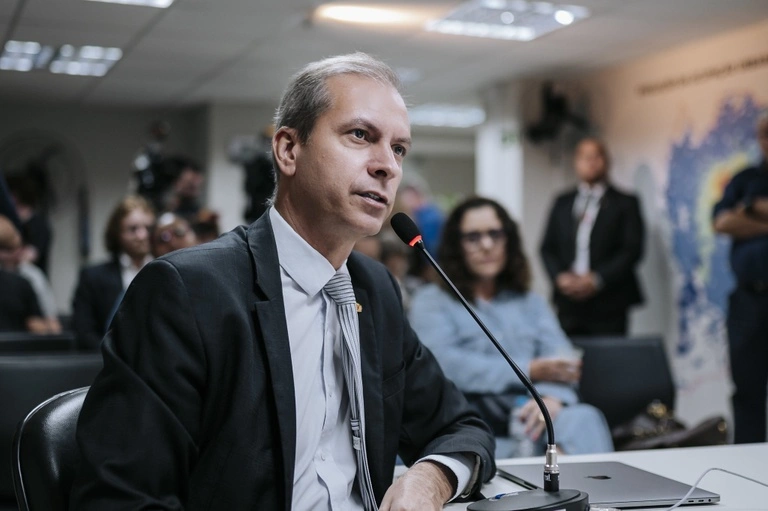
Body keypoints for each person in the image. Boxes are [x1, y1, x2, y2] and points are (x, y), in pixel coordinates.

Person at [70, 53, 495, 510]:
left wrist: (430, 479)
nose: (387, 166)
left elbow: (462, 427)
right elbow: (120, 497)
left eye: (399, 149)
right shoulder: (185, 292)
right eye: (360, 135)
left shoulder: (375, 289)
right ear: (289, 150)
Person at [410, 196, 613, 457]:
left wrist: (552, 399)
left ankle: (564, 481)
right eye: (473, 237)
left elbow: (563, 360)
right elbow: (445, 364)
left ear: (508, 240)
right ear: (456, 246)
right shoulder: (432, 301)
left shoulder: (530, 302)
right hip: (469, 424)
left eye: (495, 234)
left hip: (533, 418)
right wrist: (529, 369)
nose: (486, 245)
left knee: (583, 418)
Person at [540, 137, 644, 337]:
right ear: (576, 162)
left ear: (606, 161)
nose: (591, 162)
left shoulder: (625, 203)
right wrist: (560, 277)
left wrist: (597, 279)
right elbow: (547, 247)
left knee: (609, 354)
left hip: (610, 301)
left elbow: (632, 250)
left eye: (596, 156)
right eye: (584, 157)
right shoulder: (562, 202)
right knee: (567, 353)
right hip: (568, 301)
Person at [712, 112, 768, 444]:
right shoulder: (745, 179)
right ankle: (747, 460)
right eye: (763, 134)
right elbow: (722, 223)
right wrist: (752, 209)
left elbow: (736, 221)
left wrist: (752, 212)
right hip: (749, 299)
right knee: (747, 389)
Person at [72, 195, 155, 350]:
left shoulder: (168, 271)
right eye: (133, 229)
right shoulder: (93, 277)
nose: (142, 236)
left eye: (148, 228)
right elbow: (84, 332)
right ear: (117, 234)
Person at [0, 215, 61, 333]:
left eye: (6, 249)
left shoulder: (31, 276)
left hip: (20, 340)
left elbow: (52, 324)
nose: (2, 255)